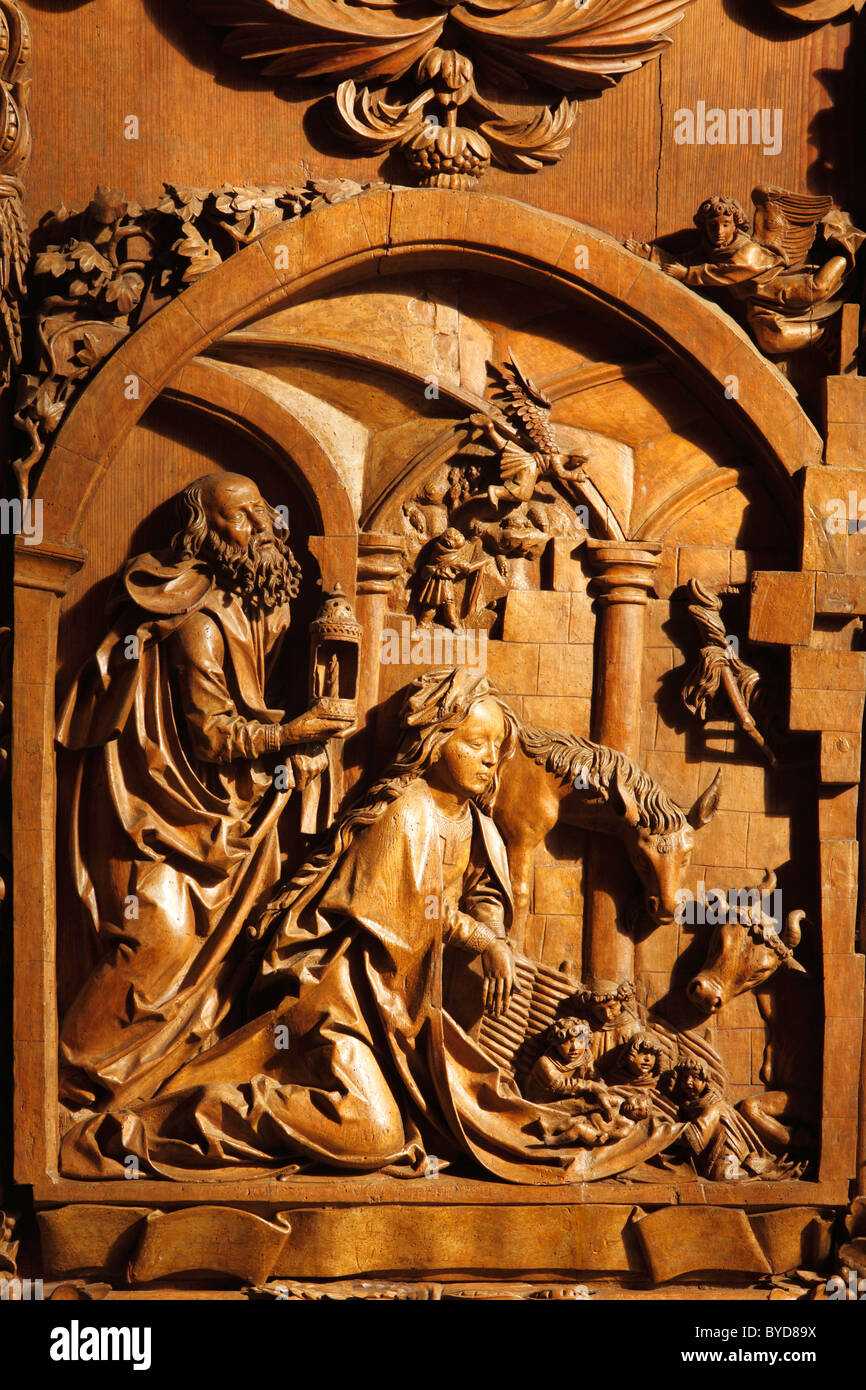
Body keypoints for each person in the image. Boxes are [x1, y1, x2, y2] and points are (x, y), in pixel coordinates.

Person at [60, 666, 681, 1183]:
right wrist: (478, 938)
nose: (490, 761)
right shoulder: (406, 814)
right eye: (474, 744)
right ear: (435, 740)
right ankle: (170, 1123)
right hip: (336, 1006)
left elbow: (483, 893)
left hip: (399, 1011)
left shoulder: (472, 822)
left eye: (497, 748)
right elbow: (410, 920)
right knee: (375, 1133)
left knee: (488, 1115)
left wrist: (491, 927)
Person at [56, 471, 352, 1112]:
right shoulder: (200, 622)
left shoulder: (252, 609)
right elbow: (215, 738)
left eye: (264, 514)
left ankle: (172, 1082)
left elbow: (240, 713)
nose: (266, 527)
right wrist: (294, 732)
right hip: (163, 819)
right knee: (152, 944)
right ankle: (71, 1082)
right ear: (205, 535)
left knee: (229, 955)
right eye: (242, 516)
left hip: (219, 817)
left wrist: (289, 733)